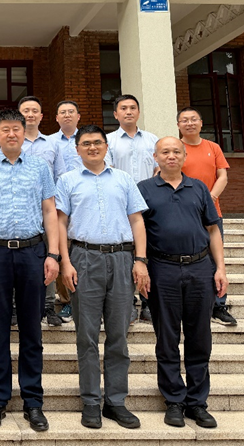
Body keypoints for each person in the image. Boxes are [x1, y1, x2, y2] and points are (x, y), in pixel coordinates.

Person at [0, 109, 61, 433]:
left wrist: (53, 254)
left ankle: (33, 401)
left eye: (16, 129)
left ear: (24, 133)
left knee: (31, 330)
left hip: (32, 252)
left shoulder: (40, 167)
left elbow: (49, 210)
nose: (11, 134)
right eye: (5, 129)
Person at [56, 124, 149, 430]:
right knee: (86, 336)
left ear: (106, 147)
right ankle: (91, 401)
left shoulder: (123, 179)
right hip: (83, 258)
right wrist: (65, 262)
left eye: (97, 142)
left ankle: (116, 401)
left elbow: (136, 220)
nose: (92, 147)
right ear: (77, 149)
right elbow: (60, 223)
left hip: (122, 259)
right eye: (86, 143)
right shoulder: (67, 180)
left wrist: (140, 260)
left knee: (119, 334)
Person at [137, 137, 229, 429]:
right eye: (165, 152)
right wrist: (141, 264)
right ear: (156, 157)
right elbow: (138, 230)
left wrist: (220, 268)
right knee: (166, 338)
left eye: (176, 151)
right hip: (162, 268)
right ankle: (174, 400)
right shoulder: (144, 189)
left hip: (199, 268)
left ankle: (197, 402)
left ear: (184, 156)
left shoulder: (199, 188)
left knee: (199, 337)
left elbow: (213, 229)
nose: (171, 156)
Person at [177, 107, 236, 327]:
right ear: (178, 125)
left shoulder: (213, 147)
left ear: (201, 123)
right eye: (184, 120)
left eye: (194, 119)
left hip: (211, 212)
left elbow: (222, 176)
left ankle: (218, 306)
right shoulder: (175, 148)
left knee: (215, 258)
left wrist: (209, 197)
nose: (189, 123)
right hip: (183, 213)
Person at [104, 94, 159, 324]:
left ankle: (147, 302)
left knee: (149, 253)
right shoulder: (108, 141)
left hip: (149, 205)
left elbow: (158, 170)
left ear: (138, 112)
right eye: (123, 108)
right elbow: (108, 171)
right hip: (120, 207)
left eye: (132, 108)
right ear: (115, 114)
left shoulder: (152, 140)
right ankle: (128, 303)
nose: (128, 111)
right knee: (126, 255)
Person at [18, 95, 67, 328]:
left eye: (34, 111)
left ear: (41, 116)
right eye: (25, 111)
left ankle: (48, 306)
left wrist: (59, 209)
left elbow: (60, 177)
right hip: (18, 210)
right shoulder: (12, 141)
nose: (30, 114)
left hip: (47, 210)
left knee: (50, 255)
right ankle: (17, 306)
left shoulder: (52, 144)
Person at [48, 99, 83, 323]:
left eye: (71, 112)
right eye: (63, 112)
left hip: (84, 203)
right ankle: (66, 300)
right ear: (56, 118)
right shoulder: (49, 142)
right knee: (62, 251)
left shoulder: (88, 138)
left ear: (78, 116)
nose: (67, 115)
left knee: (82, 251)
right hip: (59, 204)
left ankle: (86, 300)